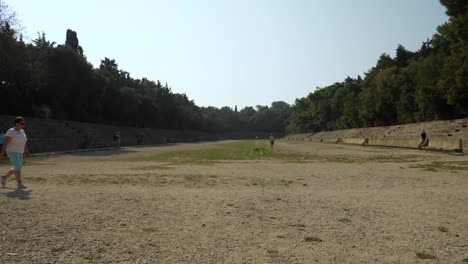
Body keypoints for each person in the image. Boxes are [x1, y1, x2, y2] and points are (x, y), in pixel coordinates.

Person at [1, 116, 30, 189]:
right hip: (11, 151)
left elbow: (25, 141)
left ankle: (4, 177)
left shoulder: (22, 131)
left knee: (17, 167)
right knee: (17, 166)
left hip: (20, 152)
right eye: (22, 123)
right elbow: (6, 142)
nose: (23, 125)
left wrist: (26, 150)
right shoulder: (11, 131)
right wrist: (2, 152)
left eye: (24, 123)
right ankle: (19, 183)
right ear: (17, 123)